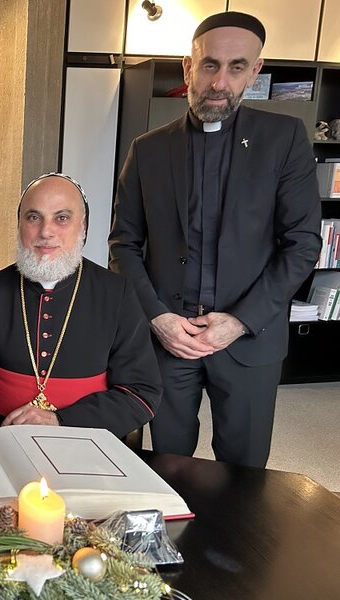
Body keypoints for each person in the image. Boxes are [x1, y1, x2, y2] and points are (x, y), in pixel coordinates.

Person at [109, 12, 321, 468]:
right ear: (189, 68)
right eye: (209, 65)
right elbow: (123, 245)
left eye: (236, 67)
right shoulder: (147, 149)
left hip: (250, 339)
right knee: (166, 463)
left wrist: (240, 321)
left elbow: (303, 243)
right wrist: (158, 318)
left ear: (254, 71)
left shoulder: (284, 139)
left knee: (245, 472)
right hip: (169, 340)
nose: (219, 82)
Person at [0, 174, 161, 444]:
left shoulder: (117, 292)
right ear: (20, 225)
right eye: (34, 217)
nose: (46, 232)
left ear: (83, 227)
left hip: (84, 440)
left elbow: (141, 392)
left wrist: (60, 420)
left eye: (61, 218)